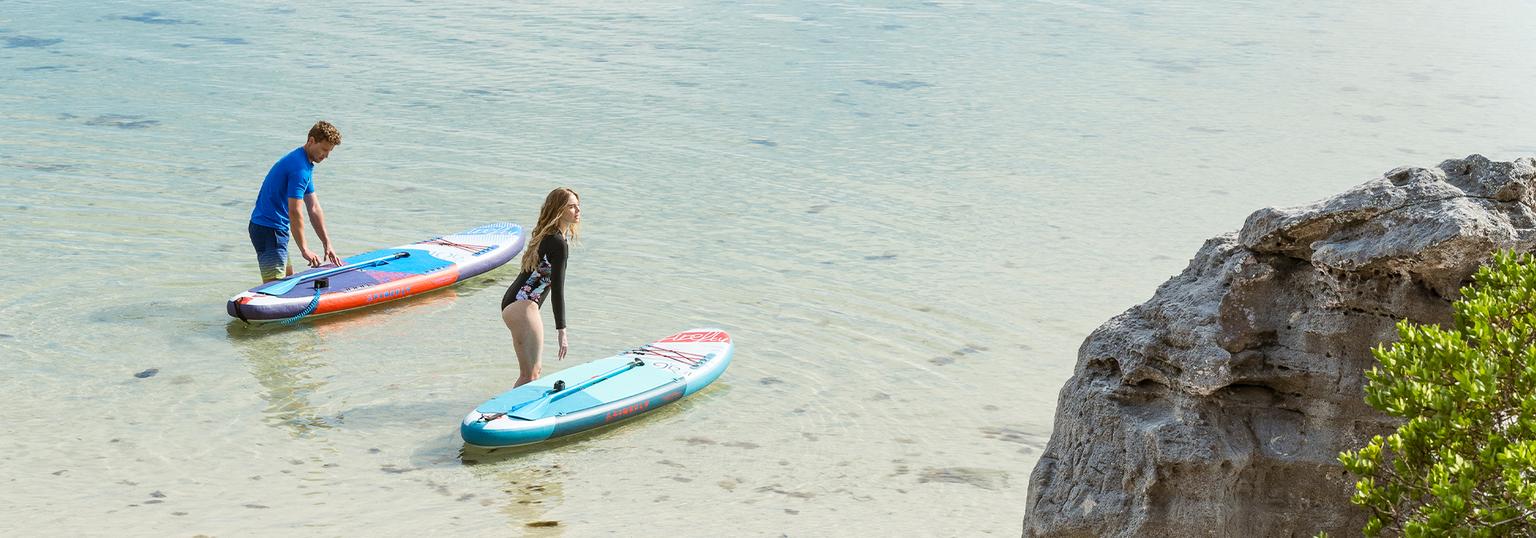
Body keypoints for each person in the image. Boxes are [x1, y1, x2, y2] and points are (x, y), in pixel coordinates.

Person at [500, 187, 581, 387]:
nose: (578, 210)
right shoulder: (558, 243)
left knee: (531, 373)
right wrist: (562, 330)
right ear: (559, 209)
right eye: (572, 206)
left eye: (578, 206)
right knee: (531, 375)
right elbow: (558, 289)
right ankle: (507, 415)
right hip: (523, 307)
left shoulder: (547, 236)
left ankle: (507, 413)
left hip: (514, 304)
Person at [247, 121, 344, 282]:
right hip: (269, 230)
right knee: (273, 287)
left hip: (274, 230)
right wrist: (304, 249)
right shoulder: (299, 169)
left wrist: (327, 243)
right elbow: (295, 211)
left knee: (287, 280)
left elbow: (313, 208)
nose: (326, 156)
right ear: (311, 141)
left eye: (330, 151)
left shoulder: (304, 164)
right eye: (325, 150)